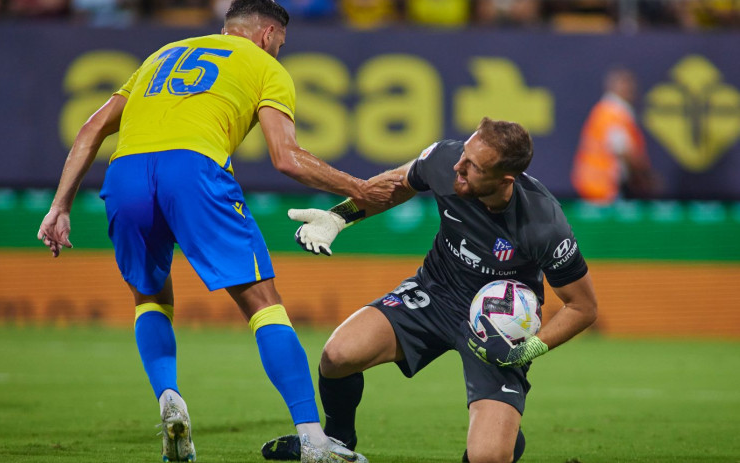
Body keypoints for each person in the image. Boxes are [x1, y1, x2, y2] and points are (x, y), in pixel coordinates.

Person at [36, 1, 401, 462]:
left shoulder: (162, 55)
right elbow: (286, 157)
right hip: (193, 170)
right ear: (268, 36)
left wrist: (60, 206)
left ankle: (169, 399)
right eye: (281, 46)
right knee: (264, 307)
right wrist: (358, 189)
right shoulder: (264, 65)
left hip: (125, 173)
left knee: (150, 299)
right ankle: (312, 438)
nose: (280, 54)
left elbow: (91, 128)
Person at [261, 117, 598, 463]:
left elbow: (582, 307)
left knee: (489, 456)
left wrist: (526, 351)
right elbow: (396, 186)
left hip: (496, 326)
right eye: (464, 154)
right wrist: (339, 217)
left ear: (504, 180)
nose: (459, 167)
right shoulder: (445, 161)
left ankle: (504, 437)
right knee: (337, 356)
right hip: (435, 292)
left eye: (473, 166)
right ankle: (336, 443)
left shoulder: (543, 224)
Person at [571, 67, 660, 204]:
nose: (631, 90)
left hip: (595, 184)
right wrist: (645, 177)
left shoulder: (606, 111)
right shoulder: (613, 113)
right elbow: (622, 150)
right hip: (603, 186)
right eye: (626, 85)